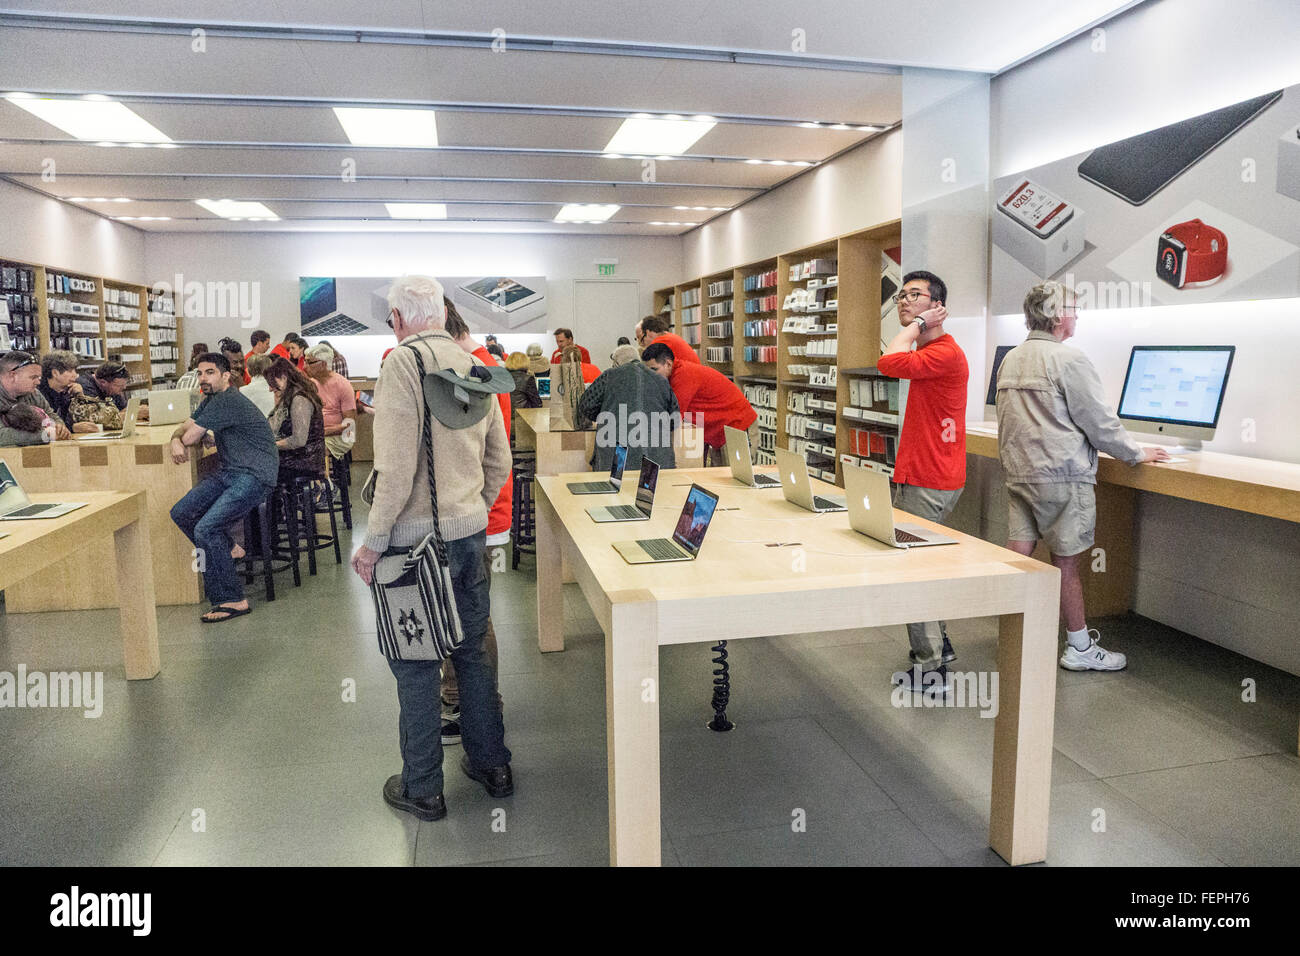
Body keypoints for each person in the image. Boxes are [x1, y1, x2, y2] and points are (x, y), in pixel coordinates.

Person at [352, 275, 513, 822]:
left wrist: (372, 545)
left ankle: (423, 785)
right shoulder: (477, 363)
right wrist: (469, 509)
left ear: (398, 317)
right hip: (468, 537)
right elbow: (500, 461)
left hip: (410, 546)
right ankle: (493, 765)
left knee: (417, 663)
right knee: (471, 651)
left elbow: (393, 469)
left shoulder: (402, 364)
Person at [997, 281, 1169, 672]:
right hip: (1062, 477)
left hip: (1020, 475)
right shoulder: (1069, 360)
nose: (1077, 316)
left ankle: (1012, 638)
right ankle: (1078, 647)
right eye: (1074, 308)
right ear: (1058, 316)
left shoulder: (1012, 358)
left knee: (1017, 557)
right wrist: (1137, 453)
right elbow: (1101, 425)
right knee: (1067, 565)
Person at [876, 270, 969, 689]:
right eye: (902, 295)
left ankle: (931, 668)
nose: (903, 302)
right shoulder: (934, 353)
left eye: (915, 296)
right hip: (924, 474)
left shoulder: (944, 352)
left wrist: (917, 325)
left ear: (937, 307)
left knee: (913, 570)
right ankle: (940, 645)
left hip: (931, 478)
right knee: (922, 563)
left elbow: (889, 361)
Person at [441, 299, 510, 743]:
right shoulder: (479, 368)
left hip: (478, 516)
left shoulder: (477, 373)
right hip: (477, 511)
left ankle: (477, 705)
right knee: (467, 610)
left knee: (472, 614)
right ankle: (462, 699)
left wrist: (477, 507)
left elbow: (492, 458)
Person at [168, 352, 279, 623]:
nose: (203, 378)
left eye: (210, 373)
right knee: (182, 512)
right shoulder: (212, 400)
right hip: (231, 472)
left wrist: (185, 437)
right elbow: (185, 427)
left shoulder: (227, 399)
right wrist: (175, 440)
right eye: (200, 373)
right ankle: (230, 547)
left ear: (225, 376)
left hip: (254, 475)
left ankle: (233, 600)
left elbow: (191, 434)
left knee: (206, 528)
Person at [642, 342, 756, 465]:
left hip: (737, 425)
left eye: (654, 369)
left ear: (668, 364)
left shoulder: (683, 376)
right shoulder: (668, 378)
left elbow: (673, 418)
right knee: (719, 480)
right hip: (719, 432)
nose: (650, 376)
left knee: (739, 479)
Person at [578, 344, 679, 473]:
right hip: (656, 461)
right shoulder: (661, 380)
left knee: (613, 491)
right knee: (654, 492)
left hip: (616, 459)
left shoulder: (610, 375)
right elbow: (674, 419)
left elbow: (586, 405)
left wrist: (606, 414)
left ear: (616, 363)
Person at [265, 355, 325, 484]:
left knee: (256, 472)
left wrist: (270, 445)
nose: (270, 388)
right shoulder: (290, 397)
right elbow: (272, 426)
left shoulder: (300, 400)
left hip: (302, 463)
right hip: (297, 459)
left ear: (284, 378)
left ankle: (275, 503)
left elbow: (299, 440)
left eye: (271, 383)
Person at [1, 351, 70, 445]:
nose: (38, 382)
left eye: (39, 377)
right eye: (33, 377)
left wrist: (60, 428)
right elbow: (2, 436)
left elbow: (51, 415)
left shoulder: (32, 393)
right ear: (13, 375)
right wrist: (45, 435)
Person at [302, 343, 356, 462]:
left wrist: (323, 431)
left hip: (341, 436)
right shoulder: (311, 384)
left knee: (312, 450)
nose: (304, 366)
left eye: (309, 362)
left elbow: (349, 424)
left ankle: (323, 480)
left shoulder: (343, 385)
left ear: (323, 364)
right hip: (317, 434)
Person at [38, 350, 96, 433]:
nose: (75, 375)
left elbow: (86, 418)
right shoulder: (38, 393)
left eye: (75, 371)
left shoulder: (68, 391)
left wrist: (80, 396)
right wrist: (71, 428)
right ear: (55, 373)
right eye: (70, 371)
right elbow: (42, 426)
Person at [636, 313, 700, 365]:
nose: (641, 345)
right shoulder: (669, 337)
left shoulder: (662, 342)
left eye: (642, 340)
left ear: (648, 333)